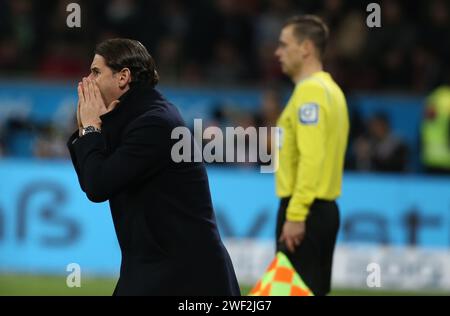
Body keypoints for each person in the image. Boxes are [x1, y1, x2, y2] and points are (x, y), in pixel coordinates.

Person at [67, 38, 240, 296]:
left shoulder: (155, 123)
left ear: (123, 77)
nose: (87, 80)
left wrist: (91, 127)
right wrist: (90, 127)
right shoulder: (137, 116)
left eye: (96, 72)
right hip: (155, 266)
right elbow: (91, 176)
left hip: (187, 275)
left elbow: (98, 185)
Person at [274, 15, 349, 296]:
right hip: (321, 209)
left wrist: (295, 214)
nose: (277, 52)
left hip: (304, 211)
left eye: (283, 45)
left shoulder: (310, 92)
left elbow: (312, 157)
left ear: (305, 48)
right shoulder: (332, 90)